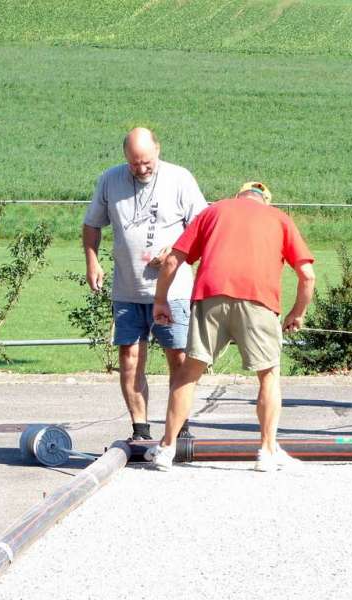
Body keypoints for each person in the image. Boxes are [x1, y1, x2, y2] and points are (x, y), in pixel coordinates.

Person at [144, 181, 316, 472]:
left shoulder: (214, 211)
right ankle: (266, 451)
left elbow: (173, 260)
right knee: (268, 375)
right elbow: (307, 276)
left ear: (239, 195)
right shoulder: (279, 218)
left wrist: (160, 301)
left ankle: (166, 448)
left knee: (189, 373)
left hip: (210, 296)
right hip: (260, 300)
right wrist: (296, 314)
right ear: (265, 200)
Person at [82, 127, 208, 440]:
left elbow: (203, 227)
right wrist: (92, 261)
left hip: (171, 290)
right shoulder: (110, 180)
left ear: (158, 151)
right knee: (129, 358)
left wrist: (177, 249)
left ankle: (181, 428)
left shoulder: (180, 179)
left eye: (146, 162)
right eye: (134, 163)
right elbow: (91, 224)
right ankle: (140, 429)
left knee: (178, 357)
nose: (141, 169)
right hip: (128, 290)